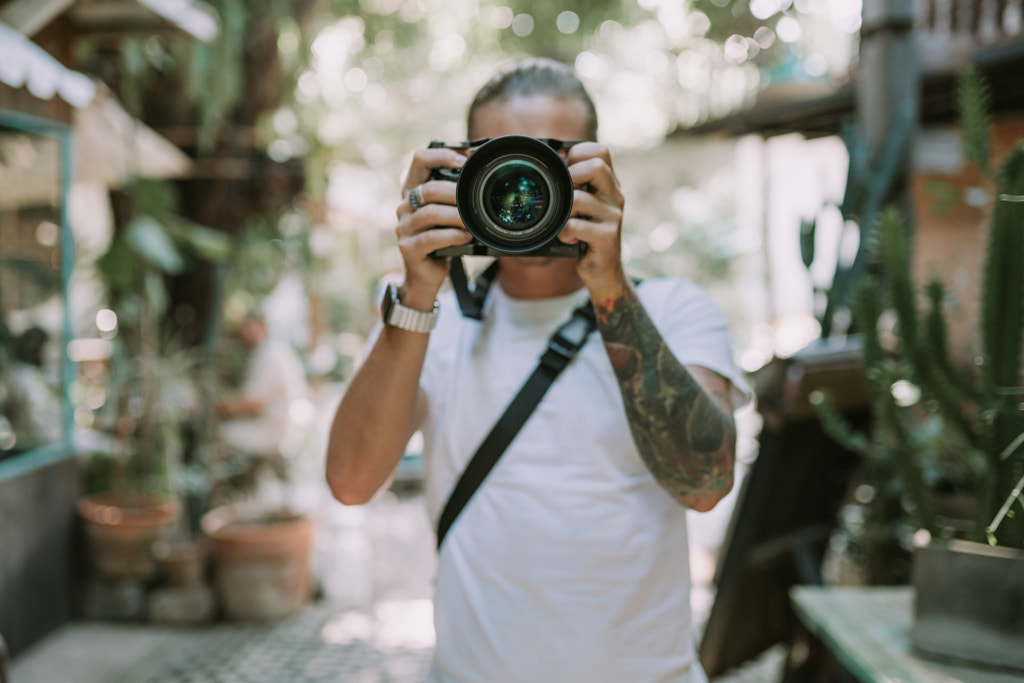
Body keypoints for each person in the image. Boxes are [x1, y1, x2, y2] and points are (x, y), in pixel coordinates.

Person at [325, 57, 750, 683]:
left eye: (549, 161)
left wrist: (609, 283)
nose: (524, 190)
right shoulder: (421, 323)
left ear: (596, 173)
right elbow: (352, 484)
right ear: (462, 173)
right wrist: (417, 291)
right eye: (500, 164)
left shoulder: (671, 311)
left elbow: (705, 483)